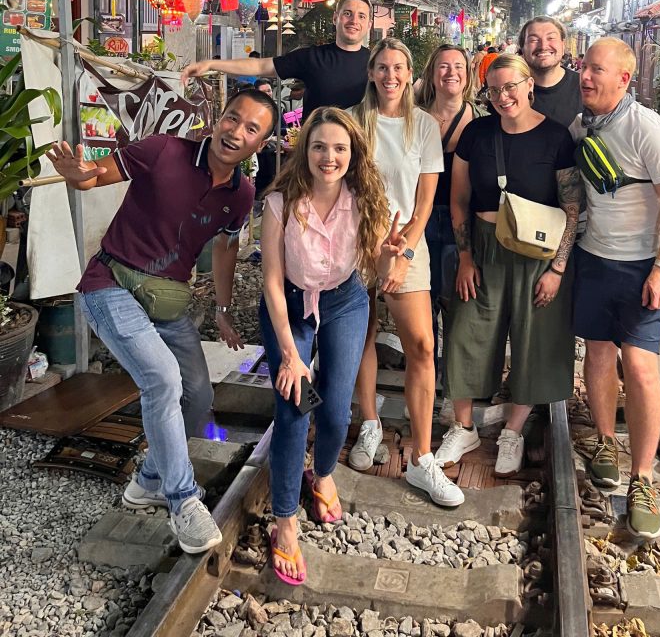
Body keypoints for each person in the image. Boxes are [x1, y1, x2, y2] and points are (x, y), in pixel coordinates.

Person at [45, 88, 278, 554]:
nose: (236, 131)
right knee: (162, 380)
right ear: (217, 118)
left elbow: (226, 249)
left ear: (260, 146)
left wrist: (224, 310)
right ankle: (182, 500)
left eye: (252, 129)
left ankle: (150, 479)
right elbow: (93, 178)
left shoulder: (241, 193)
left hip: (165, 300)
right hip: (109, 285)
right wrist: (78, 176)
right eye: (233, 118)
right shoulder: (163, 150)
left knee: (198, 394)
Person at [259, 107, 395, 583]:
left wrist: (392, 259)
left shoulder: (364, 200)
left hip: (344, 300)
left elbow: (378, 273)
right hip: (291, 305)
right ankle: (284, 521)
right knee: (293, 405)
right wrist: (291, 354)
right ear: (305, 150)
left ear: (353, 153)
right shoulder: (279, 203)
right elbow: (272, 283)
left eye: (339, 148)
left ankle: (322, 472)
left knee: (337, 411)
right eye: (319, 146)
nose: (329, 156)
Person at [436, 54, 581, 476]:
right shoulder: (477, 134)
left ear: (528, 84)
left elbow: (571, 207)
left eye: (511, 86)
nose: (503, 96)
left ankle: (514, 429)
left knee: (536, 336)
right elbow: (458, 199)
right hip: (482, 245)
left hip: (539, 253)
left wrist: (557, 268)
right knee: (465, 330)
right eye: (495, 89)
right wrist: (465, 256)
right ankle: (463, 426)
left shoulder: (556, 138)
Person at [571, 38, 660, 540]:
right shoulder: (583, 126)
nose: (586, 76)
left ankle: (642, 477)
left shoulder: (648, 129)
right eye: (584, 67)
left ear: (625, 79)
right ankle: (603, 441)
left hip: (643, 267)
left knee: (639, 367)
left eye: (598, 70)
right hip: (594, 260)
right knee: (597, 354)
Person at [349, 39, 464, 506]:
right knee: (362, 335)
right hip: (354, 242)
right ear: (371, 72)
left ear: (410, 72)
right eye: (382, 67)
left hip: (404, 243)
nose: (390, 76)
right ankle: (369, 425)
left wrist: (405, 255)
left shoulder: (424, 127)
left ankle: (420, 457)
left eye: (398, 67)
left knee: (421, 344)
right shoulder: (354, 119)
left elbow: (425, 202)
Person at [181, 0, 373, 119]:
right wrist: (211, 64)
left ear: (369, 25)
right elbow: (260, 66)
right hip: (313, 160)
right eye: (347, 13)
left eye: (361, 16)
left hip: (361, 158)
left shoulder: (376, 64)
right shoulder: (312, 58)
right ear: (335, 18)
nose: (353, 20)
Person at [416, 44, 482, 390]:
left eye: (458, 66)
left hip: (462, 226)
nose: (451, 72)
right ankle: (429, 379)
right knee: (422, 306)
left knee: (459, 307)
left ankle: (455, 390)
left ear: (468, 75)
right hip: (420, 221)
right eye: (443, 66)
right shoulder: (414, 118)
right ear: (431, 74)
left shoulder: (482, 123)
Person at [518, 16, 582, 128]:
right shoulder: (510, 92)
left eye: (551, 38)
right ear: (522, 49)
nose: (543, 46)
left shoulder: (585, 88)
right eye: (533, 40)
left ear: (563, 45)